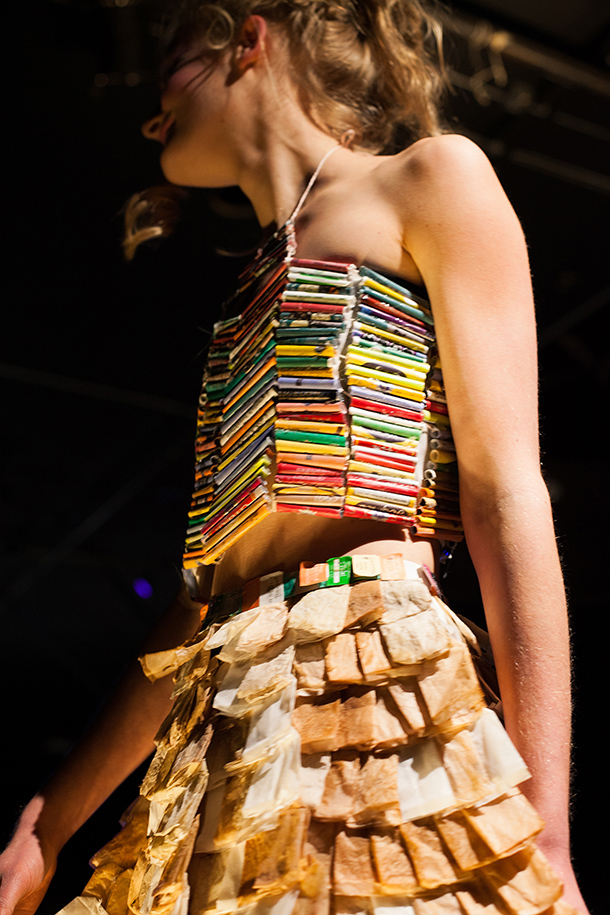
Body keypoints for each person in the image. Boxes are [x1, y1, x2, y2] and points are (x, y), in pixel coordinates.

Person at [0, 1, 589, 913]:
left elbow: (506, 492)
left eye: (172, 64)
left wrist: (544, 825)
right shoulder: (245, 295)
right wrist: (48, 825)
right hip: (229, 728)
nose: (153, 116)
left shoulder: (429, 178)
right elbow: (203, 599)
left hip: (377, 684)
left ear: (249, 38)